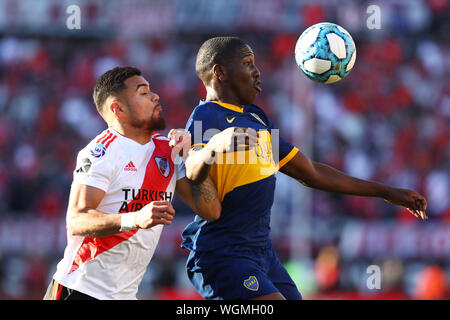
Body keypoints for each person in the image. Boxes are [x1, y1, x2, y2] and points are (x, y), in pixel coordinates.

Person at [181, 36, 428, 300]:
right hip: (223, 252)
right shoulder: (206, 116)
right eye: (247, 63)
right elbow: (192, 169)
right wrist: (214, 146)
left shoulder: (256, 118)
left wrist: (386, 192)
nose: (257, 71)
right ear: (220, 72)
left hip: (261, 252)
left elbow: (311, 172)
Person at [43, 66, 221, 300]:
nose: (155, 96)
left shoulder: (168, 150)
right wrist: (135, 218)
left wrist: (193, 157)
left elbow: (210, 210)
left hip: (125, 295)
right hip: (79, 290)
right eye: (143, 92)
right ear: (118, 109)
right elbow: (77, 220)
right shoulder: (100, 153)